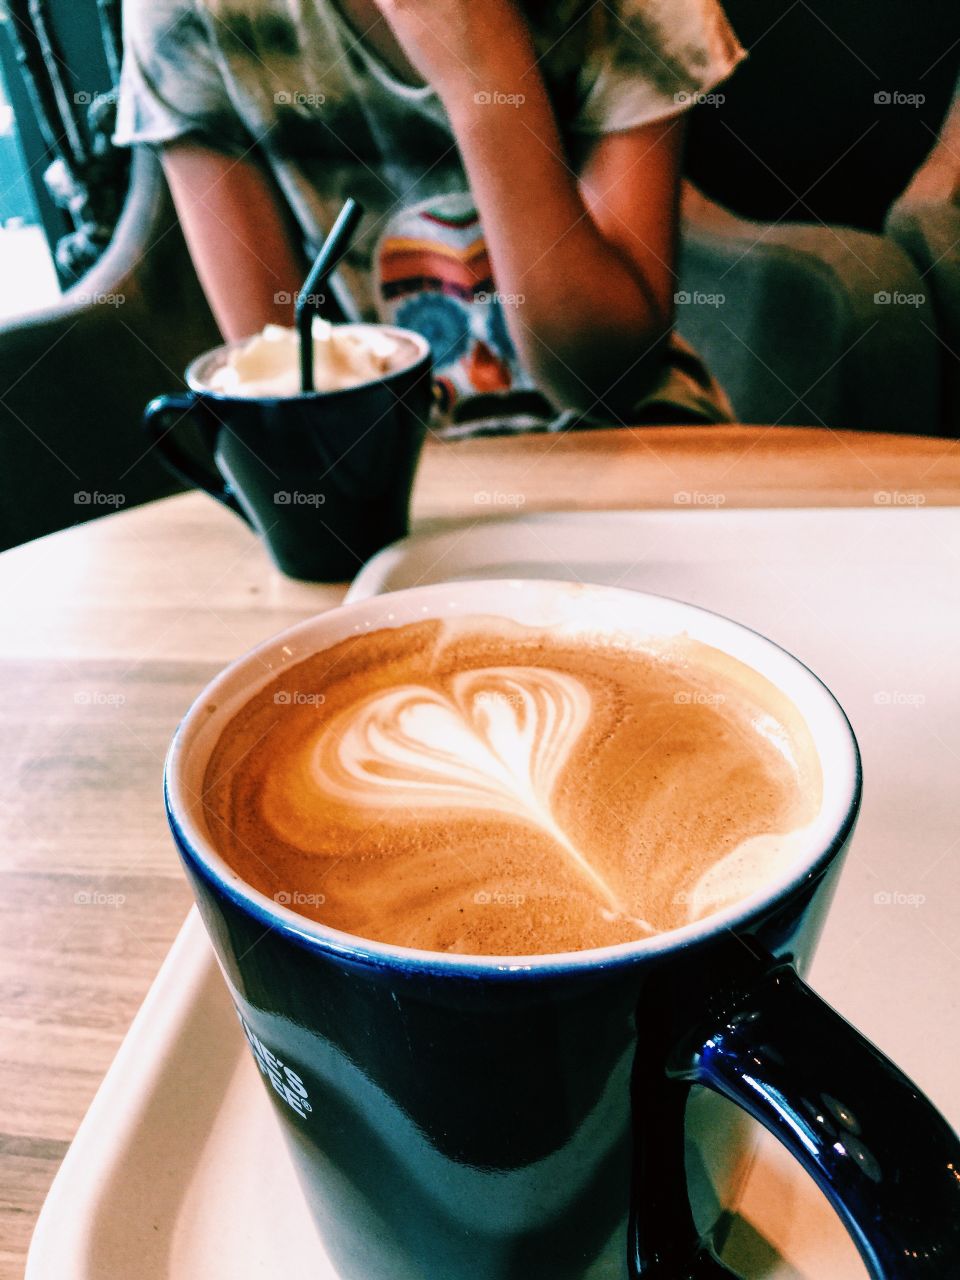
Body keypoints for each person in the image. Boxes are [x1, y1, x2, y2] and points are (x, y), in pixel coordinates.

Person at [114, 0, 747, 436]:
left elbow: (605, 383)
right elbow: (280, 389)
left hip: (639, 456)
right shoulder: (188, 14)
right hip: (390, 487)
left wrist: (487, 82)